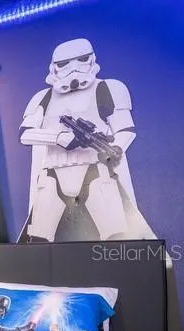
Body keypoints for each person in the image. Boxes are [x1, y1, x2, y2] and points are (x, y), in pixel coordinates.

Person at [19, 38, 155, 242]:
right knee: (39, 240)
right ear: (54, 67)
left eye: (81, 60)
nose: (73, 68)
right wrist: (58, 138)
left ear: (91, 60)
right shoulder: (43, 97)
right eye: (64, 64)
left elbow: (125, 129)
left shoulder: (108, 88)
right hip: (52, 174)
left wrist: (115, 148)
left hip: (96, 172)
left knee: (118, 237)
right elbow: (26, 133)